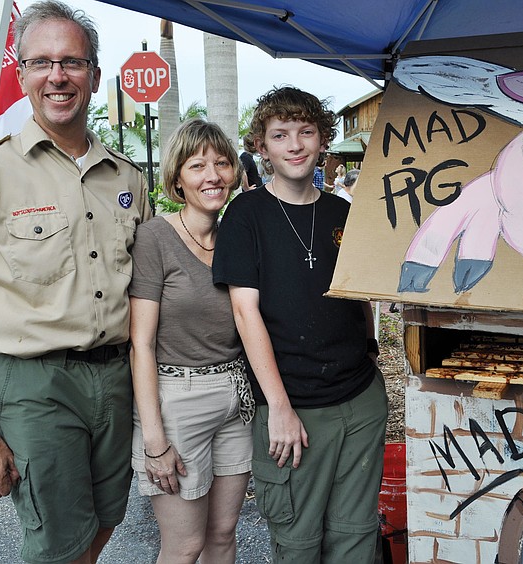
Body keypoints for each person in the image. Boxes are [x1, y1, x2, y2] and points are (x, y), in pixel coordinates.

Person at [0, 1, 152, 562]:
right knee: (56, 542)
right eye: (41, 62)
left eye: (72, 62)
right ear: (20, 74)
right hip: (34, 385)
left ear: (95, 75)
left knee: (105, 519)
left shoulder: (127, 177)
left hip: (114, 381)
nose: (57, 76)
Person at [213, 86, 388, 563]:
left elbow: (358, 293)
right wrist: (280, 408)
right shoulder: (245, 215)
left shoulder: (341, 212)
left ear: (322, 139)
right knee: (299, 544)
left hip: (360, 400)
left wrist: (371, 352)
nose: (295, 144)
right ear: (262, 147)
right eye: (280, 134)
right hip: (296, 409)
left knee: (356, 537)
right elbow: (245, 313)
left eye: (305, 132)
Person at [129, 118, 254, 564]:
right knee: (184, 546)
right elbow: (139, 344)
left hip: (235, 399)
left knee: (222, 534)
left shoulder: (237, 237)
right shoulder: (155, 238)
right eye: (197, 165)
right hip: (177, 400)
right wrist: (155, 440)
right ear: (178, 177)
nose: (213, 175)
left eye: (222, 163)